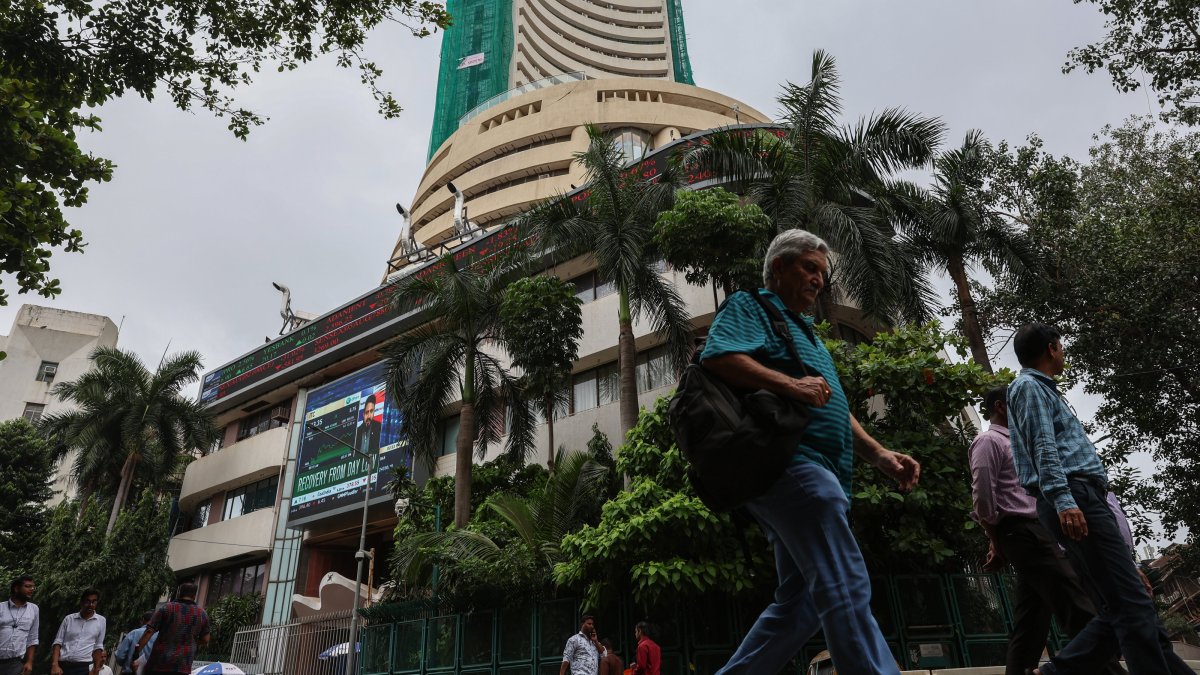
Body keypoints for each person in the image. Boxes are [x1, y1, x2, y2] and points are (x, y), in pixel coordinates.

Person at [700, 230, 920, 675]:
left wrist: (879, 454)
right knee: (845, 581)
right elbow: (718, 357)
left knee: (800, 605)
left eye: (822, 272)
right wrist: (789, 384)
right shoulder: (752, 306)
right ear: (778, 268)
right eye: (808, 267)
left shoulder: (807, 333)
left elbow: (834, 404)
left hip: (819, 472)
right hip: (792, 467)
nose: (819, 279)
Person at [1008, 323, 1191, 675]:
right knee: (1132, 607)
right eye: (1061, 346)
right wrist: (1065, 501)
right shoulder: (1030, 387)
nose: (1063, 352)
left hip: (1079, 497)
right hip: (1074, 497)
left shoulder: (1040, 389)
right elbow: (1043, 449)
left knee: (1125, 609)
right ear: (1051, 348)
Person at [969, 386, 1124, 675]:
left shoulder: (1020, 444)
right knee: (1077, 606)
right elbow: (983, 499)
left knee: (1031, 623)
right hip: (1022, 532)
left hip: (1036, 532)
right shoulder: (989, 441)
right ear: (1002, 407)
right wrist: (996, 539)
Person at [131, 582, 210, 675]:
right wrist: (190, 642)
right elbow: (205, 639)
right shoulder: (202, 613)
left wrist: (135, 655)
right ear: (194, 595)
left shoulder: (166, 608)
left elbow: (149, 631)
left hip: (158, 663)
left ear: (179, 593)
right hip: (183, 665)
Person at [50, 589, 105, 675]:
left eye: (94, 602)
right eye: (88, 601)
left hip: (83, 667)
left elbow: (98, 647)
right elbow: (57, 643)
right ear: (81, 602)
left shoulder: (101, 621)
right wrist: (55, 664)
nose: (91, 605)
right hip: (63, 666)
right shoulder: (69, 619)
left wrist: (96, 669)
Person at [0, 575, 39, 675]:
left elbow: (33, 637)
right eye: (27, 586)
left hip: (15, 664)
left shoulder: (34, 609)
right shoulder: (1, 607)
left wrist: (29, 662)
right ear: (16, 588)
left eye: (33, 587)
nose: (32, 589)